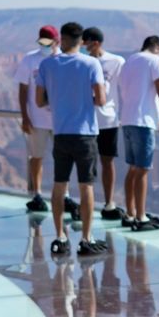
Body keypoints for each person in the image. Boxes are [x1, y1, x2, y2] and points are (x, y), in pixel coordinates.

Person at [36, 22, 108, 256]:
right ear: (81, 41)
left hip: (61, 132)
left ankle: (59, 236)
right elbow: (101, 99)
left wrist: (58, 99)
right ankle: (86, 238)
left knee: (60, 185)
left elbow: (39, 101)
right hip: (85, 133)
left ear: (63, 40)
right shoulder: (91, 63)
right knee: (86, 185)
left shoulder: (47, 65)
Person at [115, 36, 159, 231]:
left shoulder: (129, 61)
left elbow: (132, 92)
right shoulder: (153, 59)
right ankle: (141, 218)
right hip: (143, 123)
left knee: (133, 168)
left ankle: (130, 212)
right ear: (158, 48)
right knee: (142, 169)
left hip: (128, 120)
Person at [82, 26, 127, 221]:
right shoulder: (83, 62)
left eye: (87, 43)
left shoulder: (116, 62)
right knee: (86, 163)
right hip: (86, 119)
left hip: (108, 119)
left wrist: (124, 113)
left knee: (107, 161)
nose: (84, 47)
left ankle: (109, 202)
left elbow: (125, 88)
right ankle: (87, 203)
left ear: (96, 42)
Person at [15, 25, 58, 212]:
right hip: (37, 119)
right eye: (41, 43)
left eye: (48, 43)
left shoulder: (63, 59)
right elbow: (23, 89)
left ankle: (62, 194)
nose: (44, 47)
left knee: (61, 158)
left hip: (60, 120)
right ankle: (38, 193)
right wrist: (25, 116)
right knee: (36, 157)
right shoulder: (30, 60)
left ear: (57, 41)